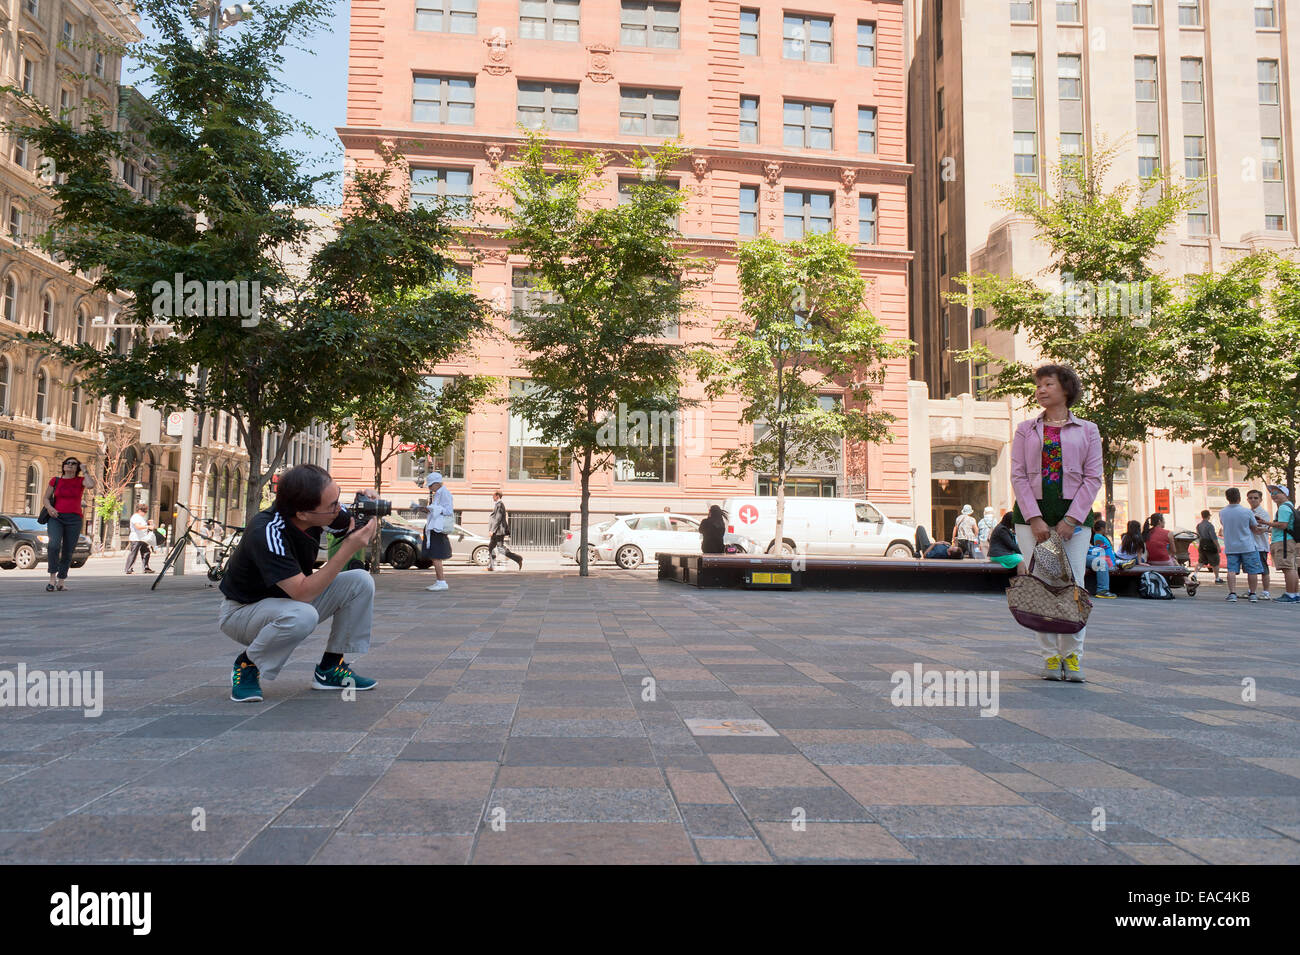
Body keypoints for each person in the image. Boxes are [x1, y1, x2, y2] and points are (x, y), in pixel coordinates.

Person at [216, 463, 378, 703]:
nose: (339, 509)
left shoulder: (320, 513)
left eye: (339, 497)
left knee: (360, 581)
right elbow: (302, 593)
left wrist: (369, 506)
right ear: (302, 513)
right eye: (333, 504)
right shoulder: (267, 531)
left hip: (288, 602)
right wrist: (347, 549)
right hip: (243, 612)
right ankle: (247, 665)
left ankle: (331, 668)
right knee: (302, 614)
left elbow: (347, 520)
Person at [1010, 364, 1101, 683]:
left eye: (1049, 384)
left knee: (1073, 585)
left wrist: (1071, 519)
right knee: (1041, 585)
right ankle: (1050, 657)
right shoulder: (1025, 429)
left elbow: (1093, 478)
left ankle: (1073, 656)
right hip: (1030, 518)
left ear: (1066, 389)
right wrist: (1035, 518)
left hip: (1074, 520)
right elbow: (1018, 475)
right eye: (1038, 385)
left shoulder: (1088, 430)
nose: (1041, 390)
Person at [42, 456, 96, 592]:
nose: (70, 465)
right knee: (53, 545)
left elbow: (90, 485)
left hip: (74, 519)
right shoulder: (56, 480)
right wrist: (50, 508)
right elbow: (46, 498)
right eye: (67, 463)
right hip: (56, 517)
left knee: (68, 550)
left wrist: (85, 470)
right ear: (63, 466)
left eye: (73, 464)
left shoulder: (80, 480)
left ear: (77, 467)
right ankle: (52, 579)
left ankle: (61, 581)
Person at [1218, 487, 1264, 603]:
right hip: (1247, 546)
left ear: (1227, 498)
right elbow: (1254, 528)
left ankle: (1232, 593)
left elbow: (1224, 525)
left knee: (1231, 570)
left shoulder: (1222, 512)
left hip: (1231, 546)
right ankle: (1253, 594)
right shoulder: (1247, 512)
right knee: (1252, 570)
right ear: (1239, 498)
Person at [1259, 485, 1299, 603]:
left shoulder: (1283, 508)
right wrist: (1266, 529)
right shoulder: (1289, 506)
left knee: (1287, 568)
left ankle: (1290, 595)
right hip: (1287, 540)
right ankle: (1294, 594)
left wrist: (1266, 523)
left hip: (1283, 542)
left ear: (1285, 494)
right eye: (1272, 493)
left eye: (1277, 492)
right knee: (1291, 568)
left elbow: (1283, 525)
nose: (1274, 495)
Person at [421, 472, 455, 592]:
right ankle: (440, 581)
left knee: (436, 556)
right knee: (435, 556)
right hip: (435, 527)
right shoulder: (439, 493)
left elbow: (448, 511)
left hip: (437, 528)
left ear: (437, 484)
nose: (430, 488)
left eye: (431, 485)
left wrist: (433, 509)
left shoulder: (444, 493)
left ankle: (441, 581)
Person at [1247, 488, 1273, 600]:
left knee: (1263, 570)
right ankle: (1251, 590)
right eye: (1250, 498)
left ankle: (1266, 592)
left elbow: (1263, 529)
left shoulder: (1263, 514)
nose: (1253, 500)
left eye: (1255, 498)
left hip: (1260, 545)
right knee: (1250, 569)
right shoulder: (1248, 512)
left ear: (1261, 499)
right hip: (1250, 546)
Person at [487, 491, 524, 570]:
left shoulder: (500, 505)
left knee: (500, 548)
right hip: (497, 531)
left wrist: (492, 530)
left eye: (493, 495)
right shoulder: (498, 504)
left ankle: (518, 558)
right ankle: (491, 566)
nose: (492, 497)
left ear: (497, 496)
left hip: (498, 531)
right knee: (491, 547)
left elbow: (498, 518)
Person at [1087, 519, 1118, 599]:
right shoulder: (1097, 536)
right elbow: (1099, 547)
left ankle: (1102, 591)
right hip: (1080, 554)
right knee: (1102, 561)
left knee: (1102, 561)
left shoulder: (1096, 535)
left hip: (1086, 553)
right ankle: (1102, 590)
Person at [124, 503, 155, 575]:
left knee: (146, 552)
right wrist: (148, 527)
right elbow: (137, 526)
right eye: (145, 511)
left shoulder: (141, 517)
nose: (145, 513)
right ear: (140, 510)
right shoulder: (135, 517)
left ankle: (146, 567)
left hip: (143, 538)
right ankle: (128, 568)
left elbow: (142, 525)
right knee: (133, 553)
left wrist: (148, 524)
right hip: (136, 538)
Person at [1194, 508, 1222, 584]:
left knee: (1201, 561)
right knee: (1215, 562)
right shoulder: (1210, 526)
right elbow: (1213, 537)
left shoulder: (1199, 525)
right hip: (1210, 546)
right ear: (1208, 516)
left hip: (1202, 544)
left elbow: (1198, 536)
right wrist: (1218, 546)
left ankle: (1195, 574)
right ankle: (1217, 578)